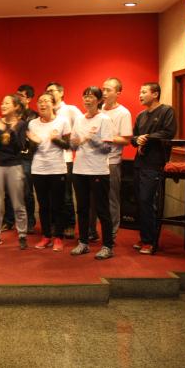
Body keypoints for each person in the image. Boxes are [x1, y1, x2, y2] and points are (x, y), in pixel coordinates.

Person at [69, 87, 115, 259]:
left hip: (98, 171)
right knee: (82, 209)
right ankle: (83, 243)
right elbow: (72, 145)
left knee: (102, 209)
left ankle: (107, 246)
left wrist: (92, 138)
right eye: (85, 96)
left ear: (99, 100)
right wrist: (75, 142)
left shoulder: (104, 119)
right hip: (79, 169)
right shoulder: (79, 119)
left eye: (91, 96)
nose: (87, 99)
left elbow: (107, 148)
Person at [131, 82, 176, 255]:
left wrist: (146, 138)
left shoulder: (166, 111)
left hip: (155, 163)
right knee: (139, 201)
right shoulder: (141, 115)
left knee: (147, 200)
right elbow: (133, 137)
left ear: (155, 94)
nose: (140, 95)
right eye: (140, 92)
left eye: (144, 92)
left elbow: (168, 132)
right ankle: (144, 237)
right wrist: (137, 139)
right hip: (139, 163)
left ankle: (149, 241)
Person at [87, 78, 133, 242]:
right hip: (92, 162)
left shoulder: (123, 113)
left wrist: (106, 137)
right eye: (103, 89)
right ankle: (91, 231)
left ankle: (111, 234)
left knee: (111, 198)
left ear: (118, 93)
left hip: (111, 161)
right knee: (91, 199)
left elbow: (126, 140)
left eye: (109, 90)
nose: (104, 93)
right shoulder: (97, 110)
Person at [0, 95, 29, 250]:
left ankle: (22, 235)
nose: (3, 105)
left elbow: (21, 146)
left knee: (18, 204)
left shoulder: (21, 124)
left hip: (14, 165)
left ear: (16, 107)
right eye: (2, 102)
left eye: (7, 103)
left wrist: (11, 132)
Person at [27, 92, 71, 251]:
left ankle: (58, 237)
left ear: (53, 104)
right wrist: (33, 142)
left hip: (57, 168)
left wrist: (56, 139)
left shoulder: (62, 121)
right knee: (43, 205)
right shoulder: (32, 123)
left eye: (46, 101)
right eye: (40, 101)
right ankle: (46, 236)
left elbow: (68, 145)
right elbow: (31, 150)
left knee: (58, 205)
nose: (42, 104)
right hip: (38, 168)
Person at [46, 82, 82, 239]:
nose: (49, 93)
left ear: (61, 92)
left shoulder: (70, 110)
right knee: (51, 195)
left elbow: (82, 126)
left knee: (66, 195)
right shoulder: (46, 112)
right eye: (47, 91)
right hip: (48, 160)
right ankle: (55, 224)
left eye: (52, 90)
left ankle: (69, 225)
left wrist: (72, 141)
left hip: (65, 158)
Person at [15, 84, 39, 233]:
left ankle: (30, 221)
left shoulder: (34, 116)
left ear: (29, 99)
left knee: (27, 191)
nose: (18, 98)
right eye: (16, 95)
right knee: (11, 192)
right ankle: (12, 221)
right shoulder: (13, 113)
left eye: (21, 96)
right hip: (13, 156)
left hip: (28, 157)